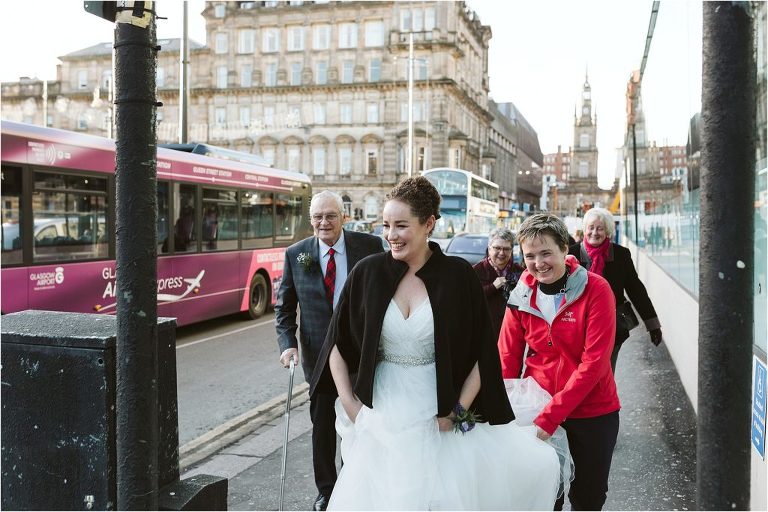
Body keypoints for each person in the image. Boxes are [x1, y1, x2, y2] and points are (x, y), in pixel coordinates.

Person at [310, 177, 561, 510]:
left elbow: (483, 355)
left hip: (441, 412)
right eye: (386, 225)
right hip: (382, 414)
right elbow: (336, 345)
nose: (390, 235)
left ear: (428, 223)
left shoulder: (459, 276)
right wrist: (353, 407)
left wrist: (458, 414)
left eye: (401, 225)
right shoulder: (367, 272)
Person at [498, 212, 621, 511]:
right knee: (543, 496)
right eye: (530, 255)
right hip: (536, 405)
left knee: (588, 497)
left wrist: (551, 417)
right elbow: (506, 358)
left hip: (592, 409)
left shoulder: (596, 289)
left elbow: (594, 363)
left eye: (546, 253)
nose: (538, 263)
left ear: (565, 249)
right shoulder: (522, 295)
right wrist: (498, 412)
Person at [274, 190, 384, 511]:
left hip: (360, 355)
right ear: (311, 221)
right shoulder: (297, 254)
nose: (324, 222)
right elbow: (284, 308)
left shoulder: (369, 247)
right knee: (322, 427)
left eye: (331, 216)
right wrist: (287, 345)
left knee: (361, 422)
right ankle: (327, 491)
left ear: (343, 217)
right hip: (318, 358)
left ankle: (356, 484)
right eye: (318, 217)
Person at [569, 207, 663, 371]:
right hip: (578, 326)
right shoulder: (571, 255)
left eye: (600, 228)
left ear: (608, 231)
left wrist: (653, 324)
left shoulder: (621, 255)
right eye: (591, 227)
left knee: (605, 371)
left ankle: (605, 396)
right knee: (581, 373)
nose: (595, 232)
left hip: (612, 326)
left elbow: (636, 289)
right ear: (585, 229)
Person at [472, 227, 524, 342]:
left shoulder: (519, 271)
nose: (501, 253)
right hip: (484, 333)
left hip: (512, 333)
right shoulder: (476, 270)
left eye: (506, 249)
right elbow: (469, 299)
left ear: (511, 250)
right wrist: (493, 287)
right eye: (497, 248)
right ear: (489, 248)